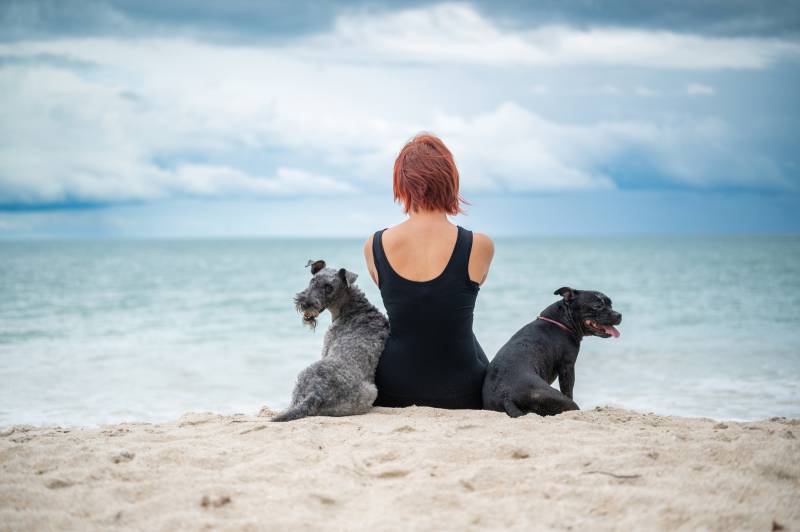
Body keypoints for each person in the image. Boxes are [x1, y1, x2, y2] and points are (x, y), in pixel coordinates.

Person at [363, 133, 495, 409]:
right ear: (450, 181)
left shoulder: (375, 245)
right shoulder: (479, 245)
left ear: (401, 184)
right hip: (462, 391)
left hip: (393, 388)